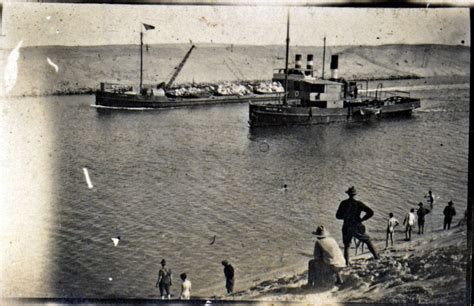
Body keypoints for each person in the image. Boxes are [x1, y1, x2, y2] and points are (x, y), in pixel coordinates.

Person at [336, 186, 379, 266]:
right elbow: (371, 212)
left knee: (347, 245)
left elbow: (338, 216)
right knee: (368, 240)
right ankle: (376, 257)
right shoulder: (359, 204)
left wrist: (346, 217)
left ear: (348, 194)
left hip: (346, 226)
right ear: (355, 194)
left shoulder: (343, 203)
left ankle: (347, 263)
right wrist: (363, 219)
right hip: (357, 226)